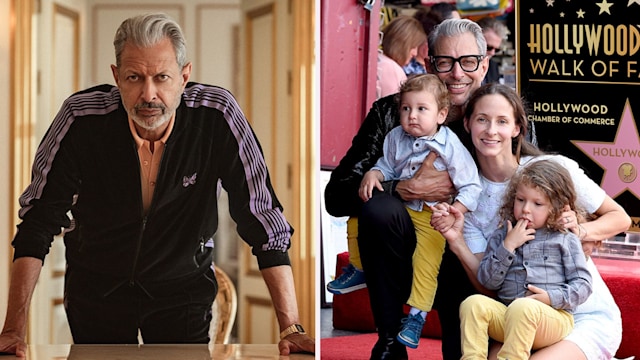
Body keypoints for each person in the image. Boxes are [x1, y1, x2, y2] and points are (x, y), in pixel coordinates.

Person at [0, 13, 314, 357]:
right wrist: (13, 329)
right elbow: (38, 221)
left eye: (162, 77)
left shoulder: (218, 114)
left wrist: (291, 326)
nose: (148, 94)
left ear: (184, 76)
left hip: (182, 293)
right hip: (96, 292)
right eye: (134, 77)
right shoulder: (80, 118)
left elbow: (262, 216)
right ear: (116, 77)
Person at [324, 18, 490, 360]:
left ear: (484, 65)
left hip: (471, 252)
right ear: (428, 64)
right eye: (445, 62)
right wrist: (403, 188)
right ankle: (389, 339)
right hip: (406, 241)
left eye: (469, 62)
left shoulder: (500, 117)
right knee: (377, 210)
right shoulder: (392, 114)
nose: (458, 74)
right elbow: (337, 195)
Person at [434, 83, 629, 360]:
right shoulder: (469, 198)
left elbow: (619, 217)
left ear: (516, 128)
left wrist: (578, 231)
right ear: (467, 124)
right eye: (482, 119)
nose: (491, 130)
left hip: (578, 312)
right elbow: (488, 285)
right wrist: (457, 241)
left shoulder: (550, 171)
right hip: (519, 314)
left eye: (502, 121)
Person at [358, 74, 481, 349]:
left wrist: (455, 209)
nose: (412, 115)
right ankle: (357, 267)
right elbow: (386, 165)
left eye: (421, 109)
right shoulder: (394, 137)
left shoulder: (450, 146)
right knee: (363, 213)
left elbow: (471, 185)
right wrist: (375, 173)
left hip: (431, 216)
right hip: (402, 213)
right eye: (406, 108)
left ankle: (416, 316)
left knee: (427, 261)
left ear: (441, 115)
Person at [458, 159, 592, 360]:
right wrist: (508, 247)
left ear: (556, 208)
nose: (526, 209)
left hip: (551, 319)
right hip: (509, 317)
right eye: (520, 200)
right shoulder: (503, 235)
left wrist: (550, 297)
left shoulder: (564, 238)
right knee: (472, 304)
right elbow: (487, 281)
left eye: (537, 203)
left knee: (523, 307)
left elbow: (583, 285)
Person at [377, 15, 427, 99]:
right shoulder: (392, 69)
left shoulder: (379, 59)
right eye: (413, 47)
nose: (415, 53)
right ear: (403, 44)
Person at [476, 16, 509, 84]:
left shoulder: (493, 66)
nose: (492, 53)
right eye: (488, 47)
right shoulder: (459, 65)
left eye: (497, 50)